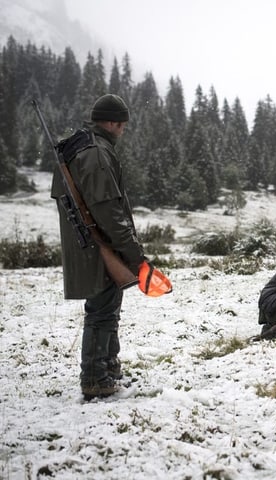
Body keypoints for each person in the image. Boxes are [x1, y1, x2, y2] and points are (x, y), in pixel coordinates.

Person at [51, 94, 145, 399]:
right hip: (97, 242)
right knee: (101, 310)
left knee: (107, 305)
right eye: (122, 125)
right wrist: (133, 253)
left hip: (94, 240)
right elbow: (109, 210)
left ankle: (107, 366)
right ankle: (94, 377)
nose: (123, 130)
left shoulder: (87, 148)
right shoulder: (96, 152)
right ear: (114, 122)